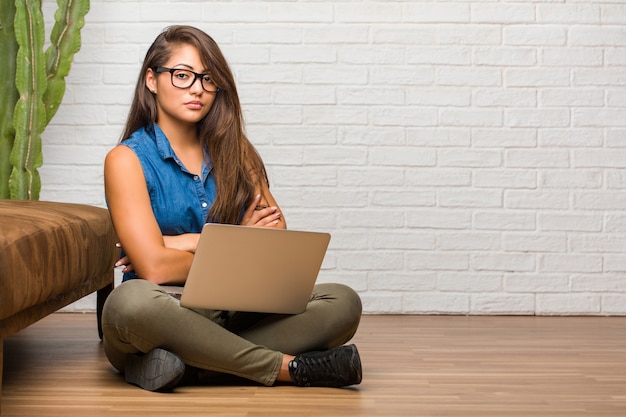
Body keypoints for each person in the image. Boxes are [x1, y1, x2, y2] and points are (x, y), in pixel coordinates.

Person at [101, 25, 363, 392]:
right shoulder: (126, 159)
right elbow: (155, 269)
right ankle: (289, 368)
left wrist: (175, 243)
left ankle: (190, 366)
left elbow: (276, 244)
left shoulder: (237, 150)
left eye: (208, 79)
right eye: (182, 75)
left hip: (237, 311)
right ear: (151, 80)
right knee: (129, 303)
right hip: (164, 313)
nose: (197, 88)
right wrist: (235, 244)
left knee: (342, 301)